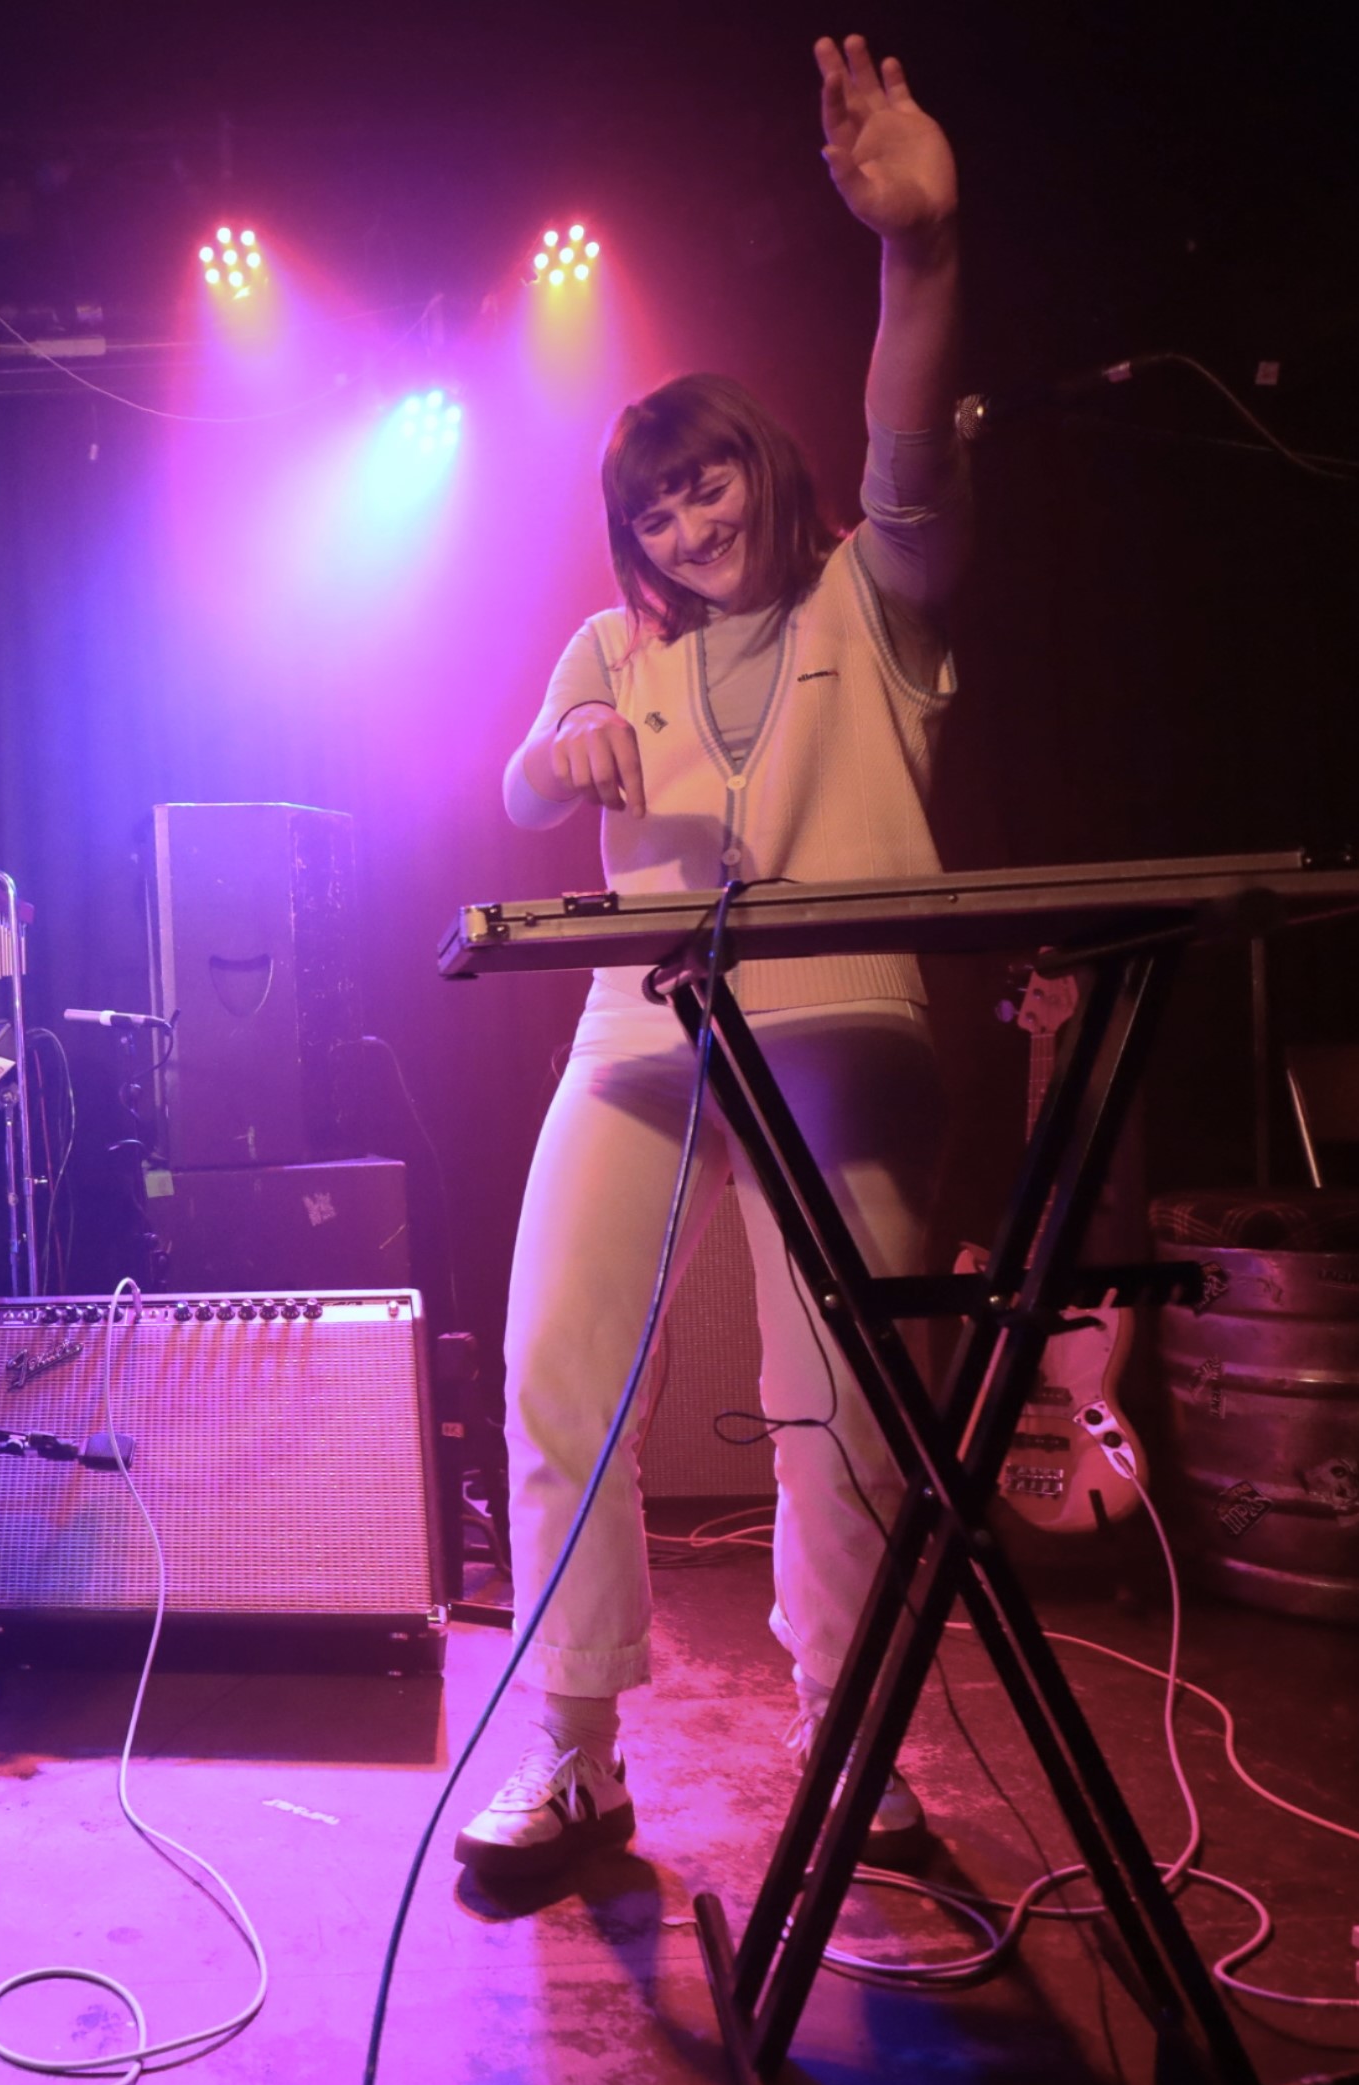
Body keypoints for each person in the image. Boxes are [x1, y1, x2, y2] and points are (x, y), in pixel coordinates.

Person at [458, 36, 968, 1879]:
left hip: (842, 1027)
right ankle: (577, 1749)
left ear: (760, 462)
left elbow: (908, 438)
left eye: (707, 486)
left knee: (843, 1398)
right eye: (654, 512)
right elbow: (518, 788)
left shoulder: (872, 593)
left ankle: (851, 1731)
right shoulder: (614, 646)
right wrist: (562, 750)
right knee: (553, 1367)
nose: (689, 526)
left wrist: (917, 249)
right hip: (644, 1031)